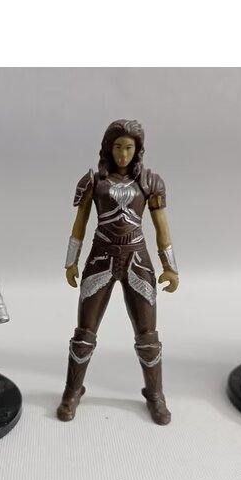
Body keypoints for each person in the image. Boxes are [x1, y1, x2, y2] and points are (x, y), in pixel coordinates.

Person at [57, 119, 179, 424]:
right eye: (118, 147)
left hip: (137, 258)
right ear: (108, 149)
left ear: (137, 150)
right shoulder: (93, 181)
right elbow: (80, 223)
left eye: (129, 147)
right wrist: (71, 261)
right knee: (84, 333)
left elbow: (161, 225)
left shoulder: (150, 181)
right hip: (101, 256)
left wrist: (170, 267)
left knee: (148, 336)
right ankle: (72, 391)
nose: (123, 154)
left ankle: (155, 395)